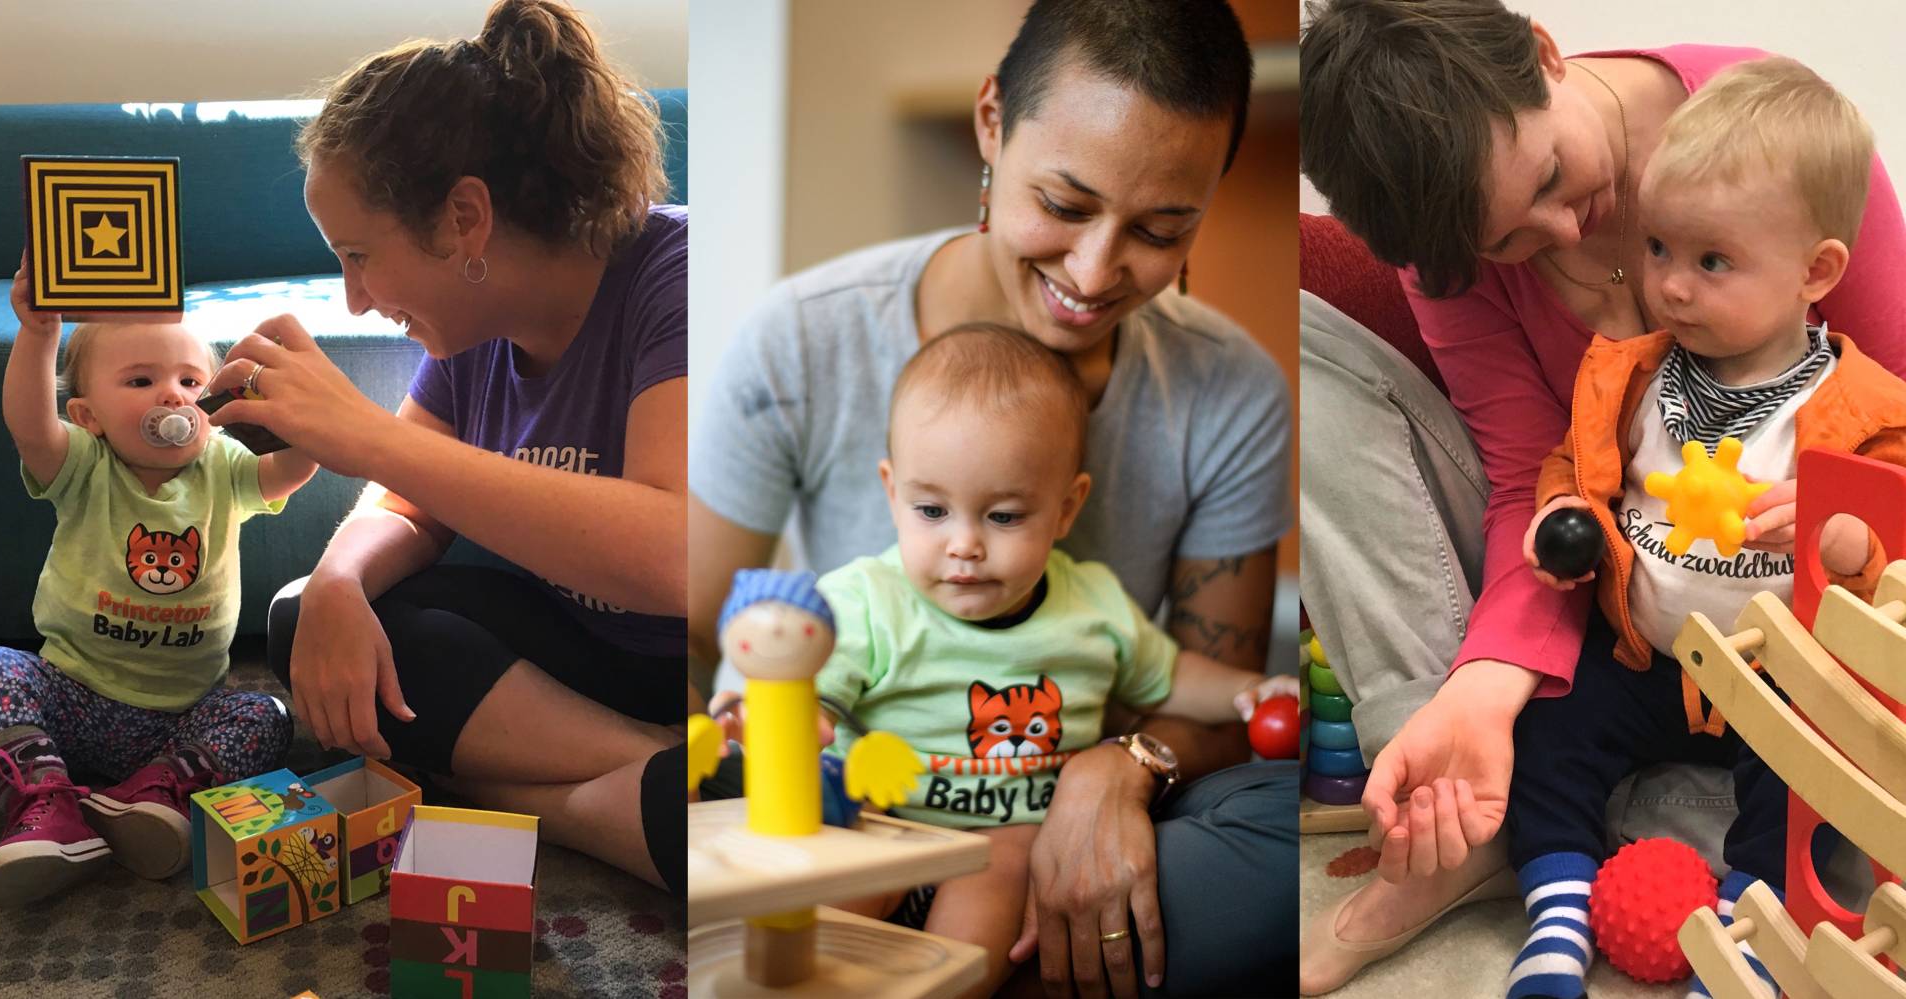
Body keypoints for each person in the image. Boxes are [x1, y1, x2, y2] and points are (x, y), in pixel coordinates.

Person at [1297, 1, 1906, 992]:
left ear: (1544, 53)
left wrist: (1846, 519)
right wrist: (1485, 684)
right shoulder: (1443, 248)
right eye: (1508, 244)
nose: (1561, 232)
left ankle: (1689, 841)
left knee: (1810, 762)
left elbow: (1895, 434)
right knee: (1295, 356)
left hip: (1781, 624)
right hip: (1611, 592)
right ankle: (1454, 814)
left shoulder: (1789, 135)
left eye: (1547, 178)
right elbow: (1528, 479)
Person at [691, 1, 1295, 993]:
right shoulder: (801, 339)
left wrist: (1122, 771)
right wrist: (792, 742)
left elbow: (1210, 694)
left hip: (1059, 823)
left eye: (1160, 228)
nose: (1096, 272)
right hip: (866, 812)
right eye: (1062, 204)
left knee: (1281, 815)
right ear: (990, 124)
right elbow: (709, 635)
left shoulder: (1229, 392)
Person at [224, 0, 687, 892]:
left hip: (718, 669)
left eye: (359, 255)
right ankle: (655, 772)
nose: (354, 298)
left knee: (356, 672)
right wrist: (337, 580)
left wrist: (366, 435)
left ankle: (569, 795)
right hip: (591, 673)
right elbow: (404, 505)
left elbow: (672, 555)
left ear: (464, 219)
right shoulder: (469, 328)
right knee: (310, 619)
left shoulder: (672, 276)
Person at [721, 325, 1290, 995]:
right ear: (891, 492)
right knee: (812, 935)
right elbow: (801, 684)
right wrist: (782, 717)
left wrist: (1248, 690)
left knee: (970, 935)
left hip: (1005, 842)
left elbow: (1170, 674)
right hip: (877, 824)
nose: (964, 544)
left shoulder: (1093, 605)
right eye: (931, 509)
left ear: (1066, 507)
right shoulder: (866, 599)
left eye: (1004, 516)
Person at [1503, 57, 1906, 999]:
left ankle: (1752, 924)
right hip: (1652, 657)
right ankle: (1556, 906)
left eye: (1711, 262)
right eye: (1657, 250)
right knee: (1549, 728)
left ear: (1816, 273)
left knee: (1821, 771)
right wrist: (1561, 511)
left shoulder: (1864, 406)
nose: (1671, 287)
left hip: (1777, 681)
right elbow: (1577, 461)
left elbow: (1894, 539)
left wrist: (1845, 537)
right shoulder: (1633, 375)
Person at [0, 265, 316, 906]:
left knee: (266, 715)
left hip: (182, 713)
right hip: (72, 696)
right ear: (89, 415)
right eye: (142, 381)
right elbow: (30, 426)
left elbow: (294, 469)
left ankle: (151, 792)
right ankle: (46, 803)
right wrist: (38, 333)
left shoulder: (224, 466)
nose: (173, 397)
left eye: (190, 382)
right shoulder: (83, 463)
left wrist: (305, 398)